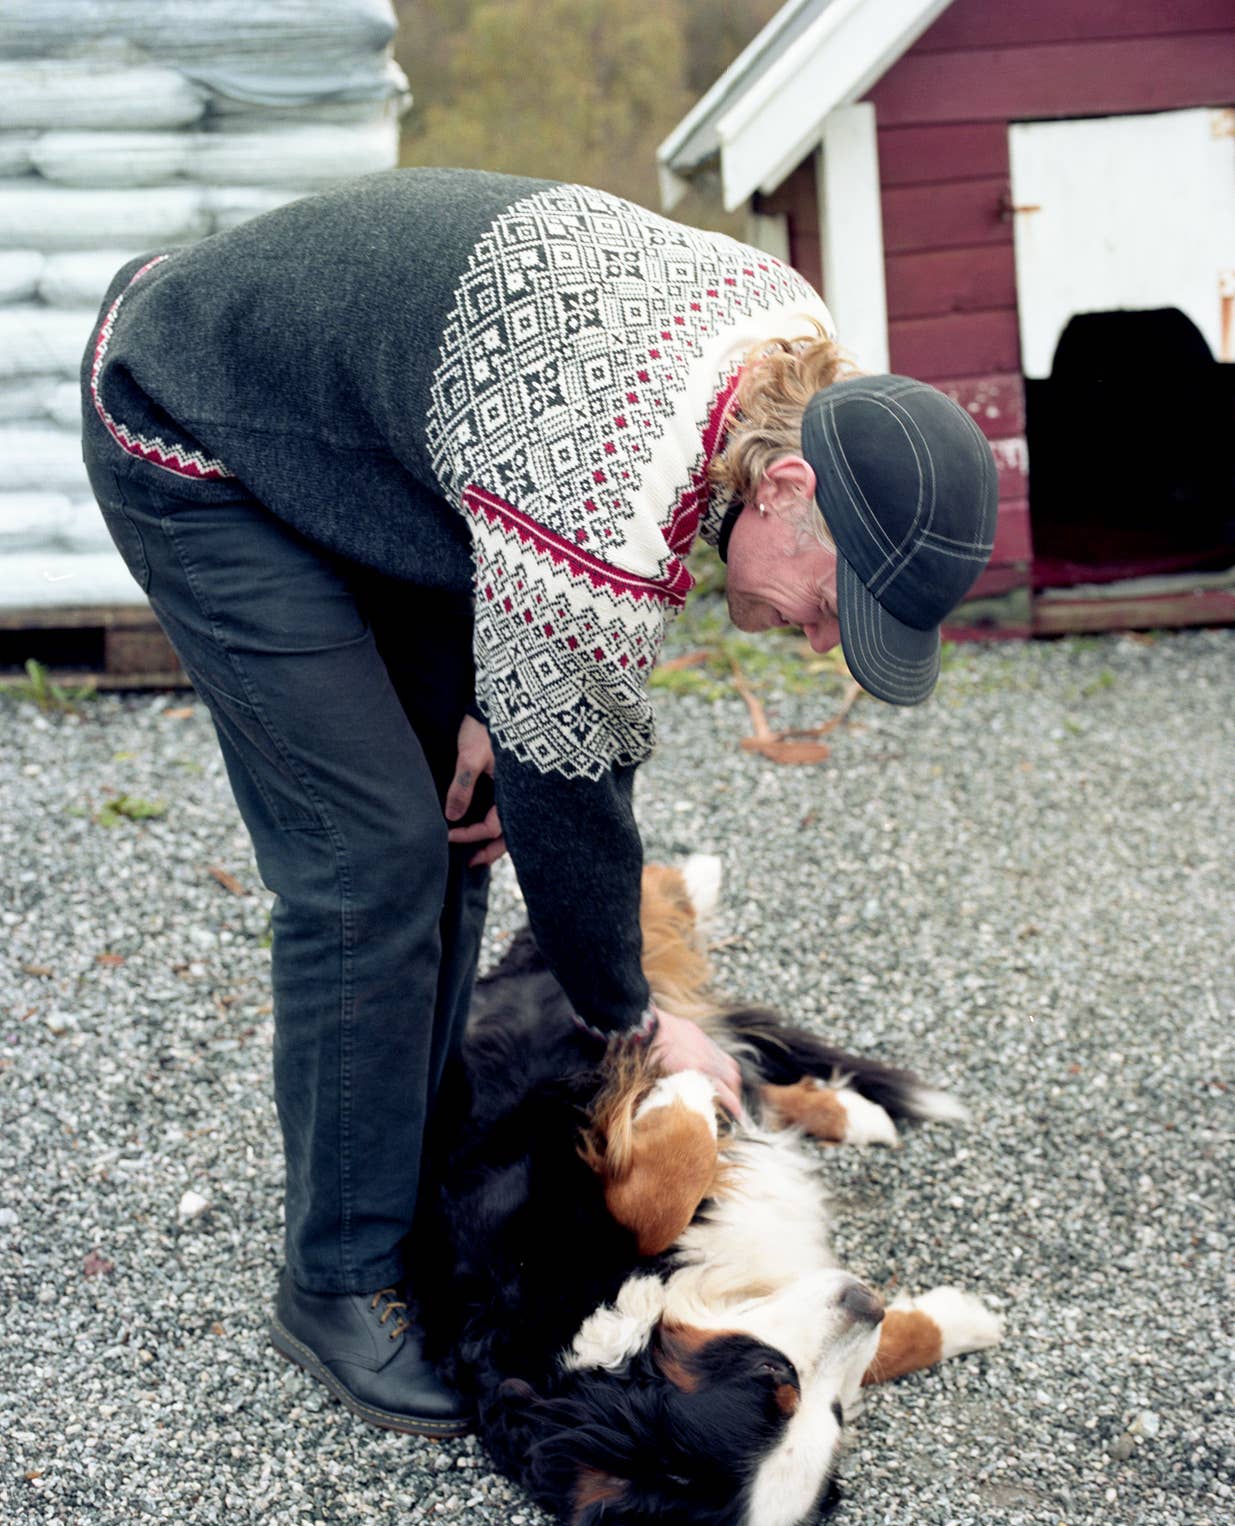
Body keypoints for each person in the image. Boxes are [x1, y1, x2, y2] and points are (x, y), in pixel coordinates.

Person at [81, 168, 997, 1438]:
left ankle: (401, 1170)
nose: (816, 640)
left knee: (457, 819)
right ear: (783, 489)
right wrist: (634, 1016)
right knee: (371, 855)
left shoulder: (786, 351)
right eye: (837, 600)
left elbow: (509, 517)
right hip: (200, 429)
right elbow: (573, 791)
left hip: (398, 452)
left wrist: (492, 701)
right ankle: (337, 1279)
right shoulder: (621, 474)